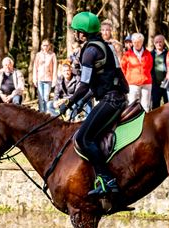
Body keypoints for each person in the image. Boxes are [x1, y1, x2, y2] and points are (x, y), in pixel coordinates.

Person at [61, 11, 129, 196]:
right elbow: (94, 85)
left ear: (83, 33)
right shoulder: (104, 46)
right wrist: (80, 103)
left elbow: (83, 85)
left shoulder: (89, 51)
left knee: (83, 138)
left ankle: (107, 180)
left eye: (76, 31)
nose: (75, 34)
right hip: (115, 96)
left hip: (111, 100)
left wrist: (68, 102)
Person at [121, 32, 153, 111]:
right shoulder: (127, 54)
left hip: (146, 83)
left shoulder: (148, 53)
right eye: (135, 42)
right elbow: (123, 68)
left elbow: (150, 66)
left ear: (142, 42)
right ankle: (132, 122)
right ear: (132, 43)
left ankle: (144, 122)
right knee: (132, 105)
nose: (137, 44)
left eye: (139, 42)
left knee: (145, 105)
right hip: (132, 84)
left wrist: (144, 75)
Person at [33, 39, 57, 113]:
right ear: (41, 46)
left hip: (48, 79)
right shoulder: (38, 55)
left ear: (49, 46)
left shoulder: (52, 55)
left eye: (47, 45)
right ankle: (41, 112)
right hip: (39, 79)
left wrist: (54, 80)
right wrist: (34, 79)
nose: (45, 47)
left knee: (46, 97)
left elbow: (55, 68)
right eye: (44, 45)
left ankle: (46, 113)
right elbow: (35, 67)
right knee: (40, 97)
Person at [150, 34, 168, 108]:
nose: (159, 44)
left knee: (168, 103)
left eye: (160, 42)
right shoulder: (150, 54)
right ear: (154, 43)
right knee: (155, 104)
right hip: (155, 84)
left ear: (164, 42)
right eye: (156, 42)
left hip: (167, 83)